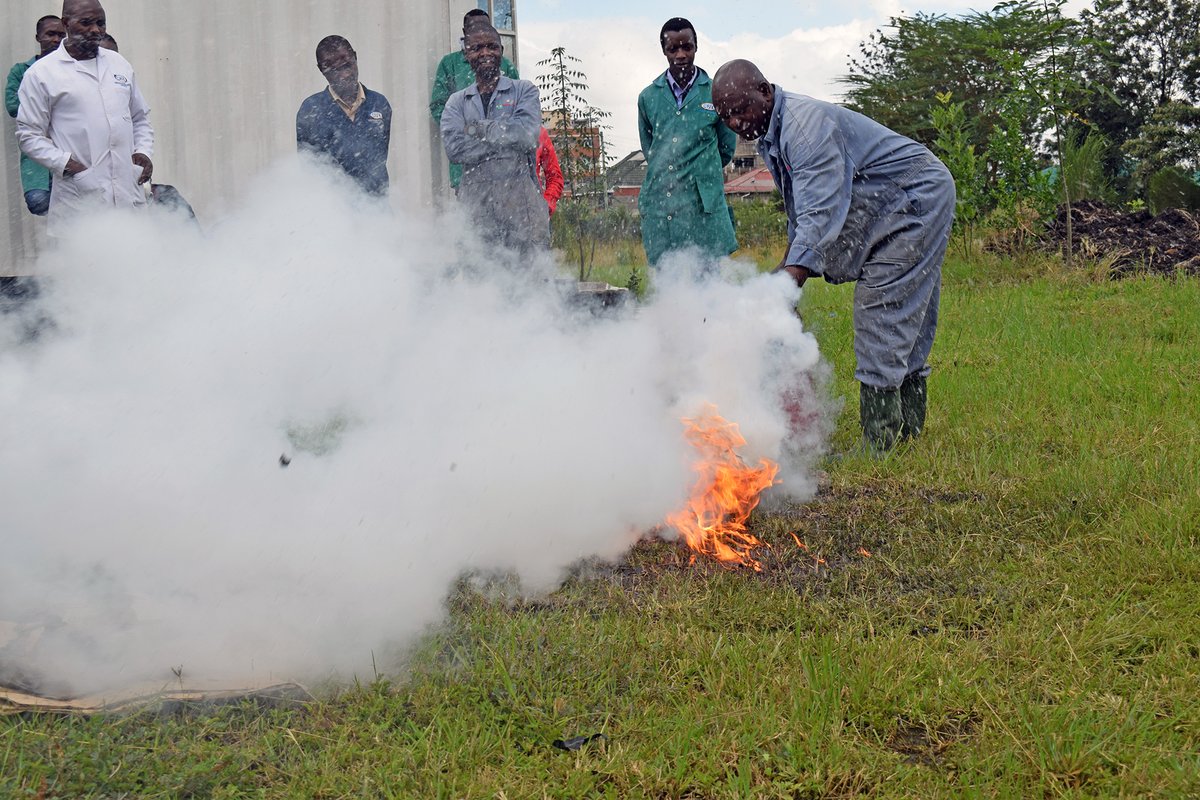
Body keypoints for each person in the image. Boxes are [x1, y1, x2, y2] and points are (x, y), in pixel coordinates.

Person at [712, 59, 955, 453]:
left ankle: (880, 442)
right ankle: (908, 432)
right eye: (726, 116)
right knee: (909, 312)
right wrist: (780, 277)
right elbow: (802, 211)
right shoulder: (774, 133)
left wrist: (788, 284)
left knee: (883, 307)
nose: (736, 123)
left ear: (765, 92)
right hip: (891, 205)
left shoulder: (805, 131)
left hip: (913, 199)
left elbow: (820, 212)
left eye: (740, 110)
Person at [16, 0, 153, 237]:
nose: (96, 30)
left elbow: (139, 117)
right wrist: (69, 165)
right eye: (86, 22)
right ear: (66, 23)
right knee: (87, 267)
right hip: (79, 196)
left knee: (135, 265)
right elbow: (28, 135)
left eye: (101, 23)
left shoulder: (119, 63)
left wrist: (143, 151)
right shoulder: (42, 73)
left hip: (127, 191)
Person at [637, 18, 738, 268]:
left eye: (687, 47)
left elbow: (726, 149)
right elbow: (651, 149)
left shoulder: (715, 91)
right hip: (663, 202)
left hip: (703, 204)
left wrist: (699, 171)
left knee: (707, 278)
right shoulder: (648, 97)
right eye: (673, 49)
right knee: (669, 278)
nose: (681, 55)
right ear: (664, 51)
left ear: (696, 47)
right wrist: (672, 172)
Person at [440, 25, 548, 255]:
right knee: (480, 284)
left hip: (523, 209)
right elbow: (455, 149)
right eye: (477, 48)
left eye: (491, 46)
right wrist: (506, 138)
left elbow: (528, 136)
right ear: (467, 55)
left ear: (501, 50)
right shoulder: (456, 102)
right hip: (475, 211)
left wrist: (478, 128)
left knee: (531, 284)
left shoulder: (524, 91)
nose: (485, 53)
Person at [429, 9, 519, 191]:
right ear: (464, 32)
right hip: (466, 169)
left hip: (506, 168)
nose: (479, 31)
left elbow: (519, 106)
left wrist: (497, 132)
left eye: (484, 27)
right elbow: (438, 106)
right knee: (470, 218)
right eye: (473, 27)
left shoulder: (505, 64)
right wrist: (466, 131)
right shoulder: (450, 64)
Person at [296, 35, 391, 197]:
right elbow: (310, 168)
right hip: (333, 210)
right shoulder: (311, 109)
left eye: (348, 65)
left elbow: (380, 158)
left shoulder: (379, 104)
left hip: (376, 205)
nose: (345, 75)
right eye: (335, 70)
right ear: (322, 70)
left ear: (355, 57)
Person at [5, 15, 66, 217]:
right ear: (38, 37)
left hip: (71, 152)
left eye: (61, 35)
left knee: (76, 209)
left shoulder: (73, 70)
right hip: (37, 159)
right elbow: (13, 106)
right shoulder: (21, 71)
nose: (56, 40)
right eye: (50, 34)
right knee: (38, 202)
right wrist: (51, 103)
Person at [537, 127, 563, 217]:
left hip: (530, 218)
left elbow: (555, 178)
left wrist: (545, 205)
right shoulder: (491, 131)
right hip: (494, 217)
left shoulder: (537, 133)